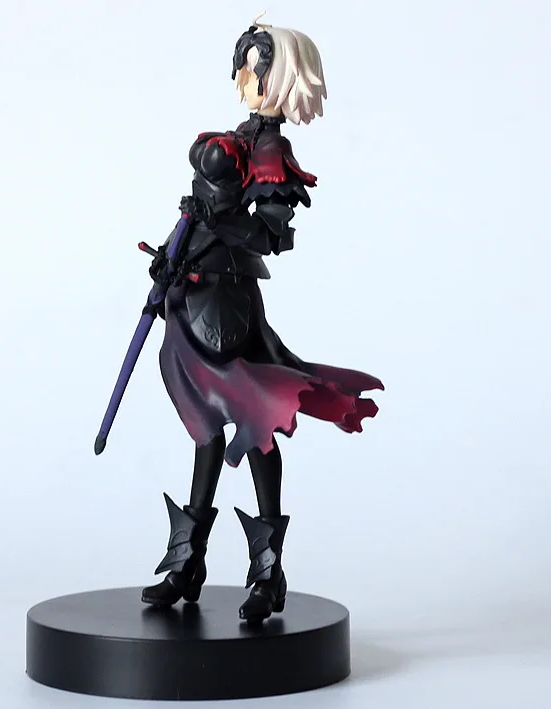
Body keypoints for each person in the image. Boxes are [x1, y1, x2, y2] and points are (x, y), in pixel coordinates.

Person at [140, 16, 383, 623]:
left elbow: (270, 237)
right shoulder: (242, 136)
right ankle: (186, 565)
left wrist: (216, 220)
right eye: (243, 67)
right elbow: (202, 213)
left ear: (281, 77)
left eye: (255, 68)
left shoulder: (270, 151)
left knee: (255, 427)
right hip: (191, 298)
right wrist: (171, 255)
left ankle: (269, 575)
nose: (244, 79)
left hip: (228, 306)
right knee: (205, 428)